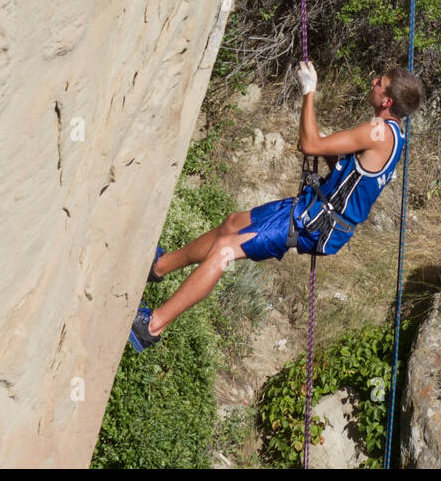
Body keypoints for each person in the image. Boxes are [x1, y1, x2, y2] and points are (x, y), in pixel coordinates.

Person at [129, 62, 425, 351]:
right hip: (313, 208)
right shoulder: (394, 134)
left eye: (379, 83)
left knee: (225, 251)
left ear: (387, 100)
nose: (373, 82)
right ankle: (160, 266)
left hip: (314, 224)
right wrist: (326, 157)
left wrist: (309, 91)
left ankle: (152, 326)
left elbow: (311, 144)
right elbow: (350, 171)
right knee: (232, 223)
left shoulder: (378, 132)